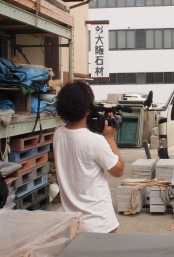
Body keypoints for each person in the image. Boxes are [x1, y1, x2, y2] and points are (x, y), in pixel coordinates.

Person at [53, 81, 124, 233]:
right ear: (88, 107)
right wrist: (109, 138)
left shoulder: (58, 134)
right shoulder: (95, 141)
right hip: (100, 224)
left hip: (74, 224)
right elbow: (118, 170)